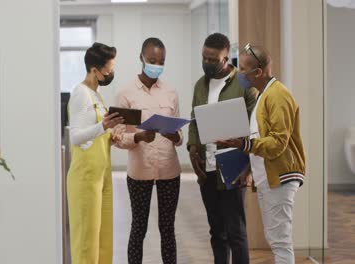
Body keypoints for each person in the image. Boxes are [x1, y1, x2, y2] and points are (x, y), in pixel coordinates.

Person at [217, 44, 306, 264]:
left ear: (257, 72)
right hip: (268, 176)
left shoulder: (278, 96)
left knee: (280, 240)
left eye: (243, 69)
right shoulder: (262, 95)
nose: (238, 73)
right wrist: (247, 169)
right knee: (275, 238)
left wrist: (243, 144)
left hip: (281, 176)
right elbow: (261, 141)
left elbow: (277, 143)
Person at [187, 33, 257, 264]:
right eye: (204, 58)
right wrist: (193, 148)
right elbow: (195, 119)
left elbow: (256, 125)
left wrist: (248, 168)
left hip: (233, 165)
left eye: (212, 59)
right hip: (206, 169)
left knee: (236, 233)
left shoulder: (243, 83)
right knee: (216, 232)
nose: (207, 63)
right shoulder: (200, 84)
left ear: (226, 58)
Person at [112, 37, 182, 264]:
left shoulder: (171, 92)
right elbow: (117, 136)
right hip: (139, 171)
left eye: (161, 61)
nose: (157, 65)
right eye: (152, 60)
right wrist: (138, 137)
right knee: (138, 226)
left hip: (169, 170)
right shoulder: (126, 93)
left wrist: (176, 136)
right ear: (141, 58)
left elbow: (180, 136)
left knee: (168, 228)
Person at [66, 42, 124, 264]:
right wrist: (103, 128)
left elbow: (96, 134)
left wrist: (111, 136)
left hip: (102, 175)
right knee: (87, 241)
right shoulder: (81, 94)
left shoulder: (97, 95)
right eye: (108, 69)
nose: (110, 73)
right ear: (94, 70)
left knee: (102, 237)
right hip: (86, 178)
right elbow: (76, 137)